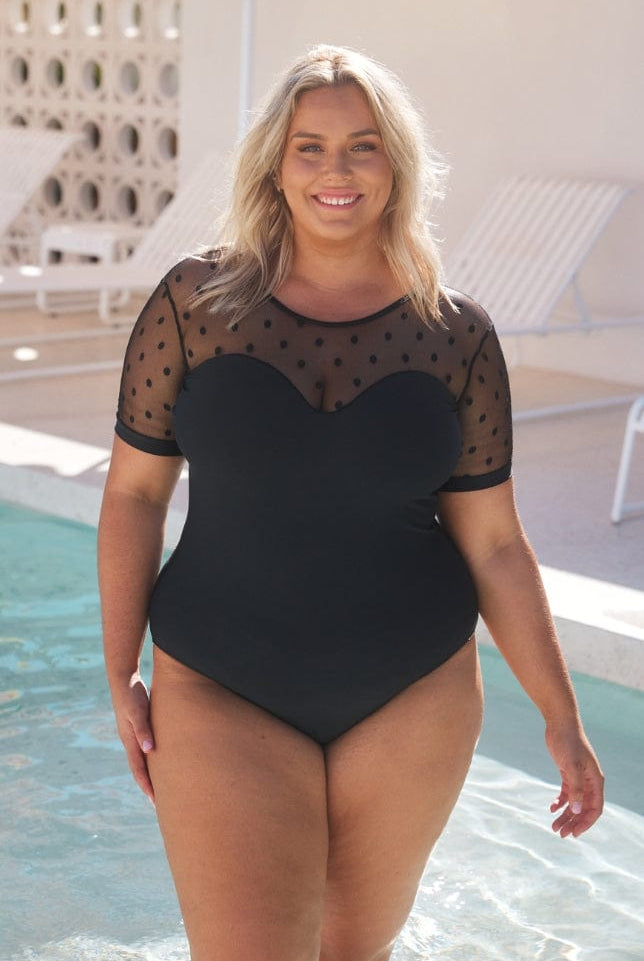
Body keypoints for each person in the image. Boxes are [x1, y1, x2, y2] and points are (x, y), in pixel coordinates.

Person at [97, 44, 604, 961]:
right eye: (311, 146)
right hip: (221, 682)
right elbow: (134, 494)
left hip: (411, 693)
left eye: (363, 146)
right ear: (275, 166)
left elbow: (495, 545)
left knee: (348, 952)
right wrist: (119, 667)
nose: (337, 169)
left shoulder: (457, 336)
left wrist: (562, 718)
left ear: (396, 165)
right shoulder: (193, 303)